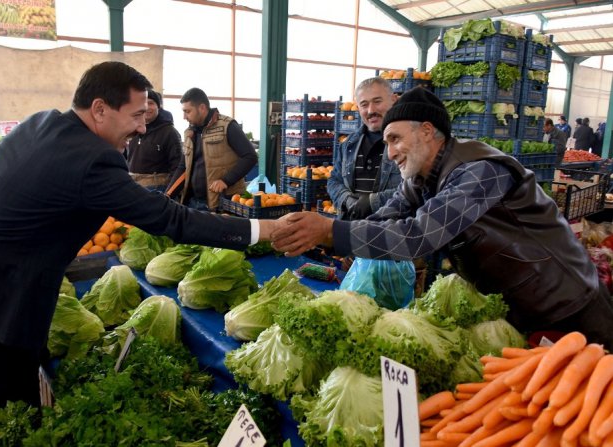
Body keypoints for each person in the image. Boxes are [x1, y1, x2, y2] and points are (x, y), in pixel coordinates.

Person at [0, 61, 283, 429]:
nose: (142, 125)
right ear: (100, 109)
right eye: (136, 114)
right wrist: (260, 230)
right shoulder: (93, 160)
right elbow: (173, 220)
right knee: (17, 422)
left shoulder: (40, 123)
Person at [272, 87, 613, 351]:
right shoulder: (421, 180)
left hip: (569, 308)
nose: (389, 153)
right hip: (521, 309)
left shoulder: (478, 171)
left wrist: (332, 230)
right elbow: (385, 217)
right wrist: (330, 234)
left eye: (395, 139)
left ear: (426, 130)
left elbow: (417, 236)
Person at [166, 87, 258, 211]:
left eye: (187, 111)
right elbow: (184, 168)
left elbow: (250, 156)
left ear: (202, 108)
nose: (184, 117)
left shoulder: (227, 126)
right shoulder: (190, 133)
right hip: (193, 203)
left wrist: (226, 181)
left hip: (222, 204)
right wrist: (167, 195)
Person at [327, 77, 402, 220]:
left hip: (389, 233)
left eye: (377, 101)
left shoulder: (406, 142)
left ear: (393, 100)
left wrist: (372, 202)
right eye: (364, 104)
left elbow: (415, 187)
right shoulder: (349, 144)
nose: (371, 110)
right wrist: (347, 200)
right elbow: (334, 181)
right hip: (350, 231)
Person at [126, 89, 182, 192]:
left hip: (158, 191)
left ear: (158, 106)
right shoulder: (132, 130)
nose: (146, 107)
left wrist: (170, 194)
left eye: (150, 103)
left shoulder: (170, 132)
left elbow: (178, 167)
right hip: (133, 189)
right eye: (143, 103)